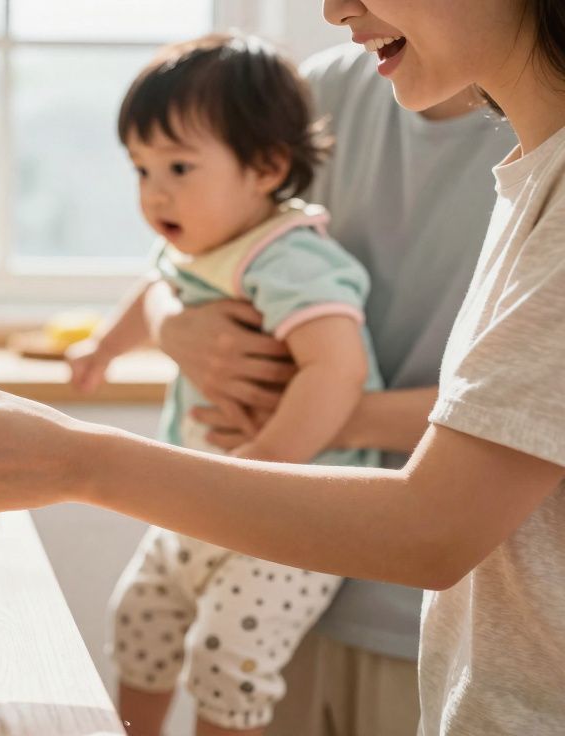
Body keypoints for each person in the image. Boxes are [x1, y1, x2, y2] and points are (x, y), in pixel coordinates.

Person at [0, 1, 565, 733]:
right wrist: (169, 330)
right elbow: (192, 271)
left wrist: (78, 461)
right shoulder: (524, 172)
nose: (334, 8)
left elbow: (434, 527)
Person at [136, 41, 517, 736]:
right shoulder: (328, 87)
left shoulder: (542, 141)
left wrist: (324, 416)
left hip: (444, 622)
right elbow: (196, 255)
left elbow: (533, 407)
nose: (333, 8)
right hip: (277, 570)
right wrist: (173, 327)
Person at [65, 33, 382, 736]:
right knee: (139, 618)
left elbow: (339, 369)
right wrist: (103, 350)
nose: (155, 193)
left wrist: (267, 463)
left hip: (293, 516)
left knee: (226, 658)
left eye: (178, 166)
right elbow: (154, 285)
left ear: (267, 167)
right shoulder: (199, 245)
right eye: (141, 170)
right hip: (206, 496)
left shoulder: (291, 257)